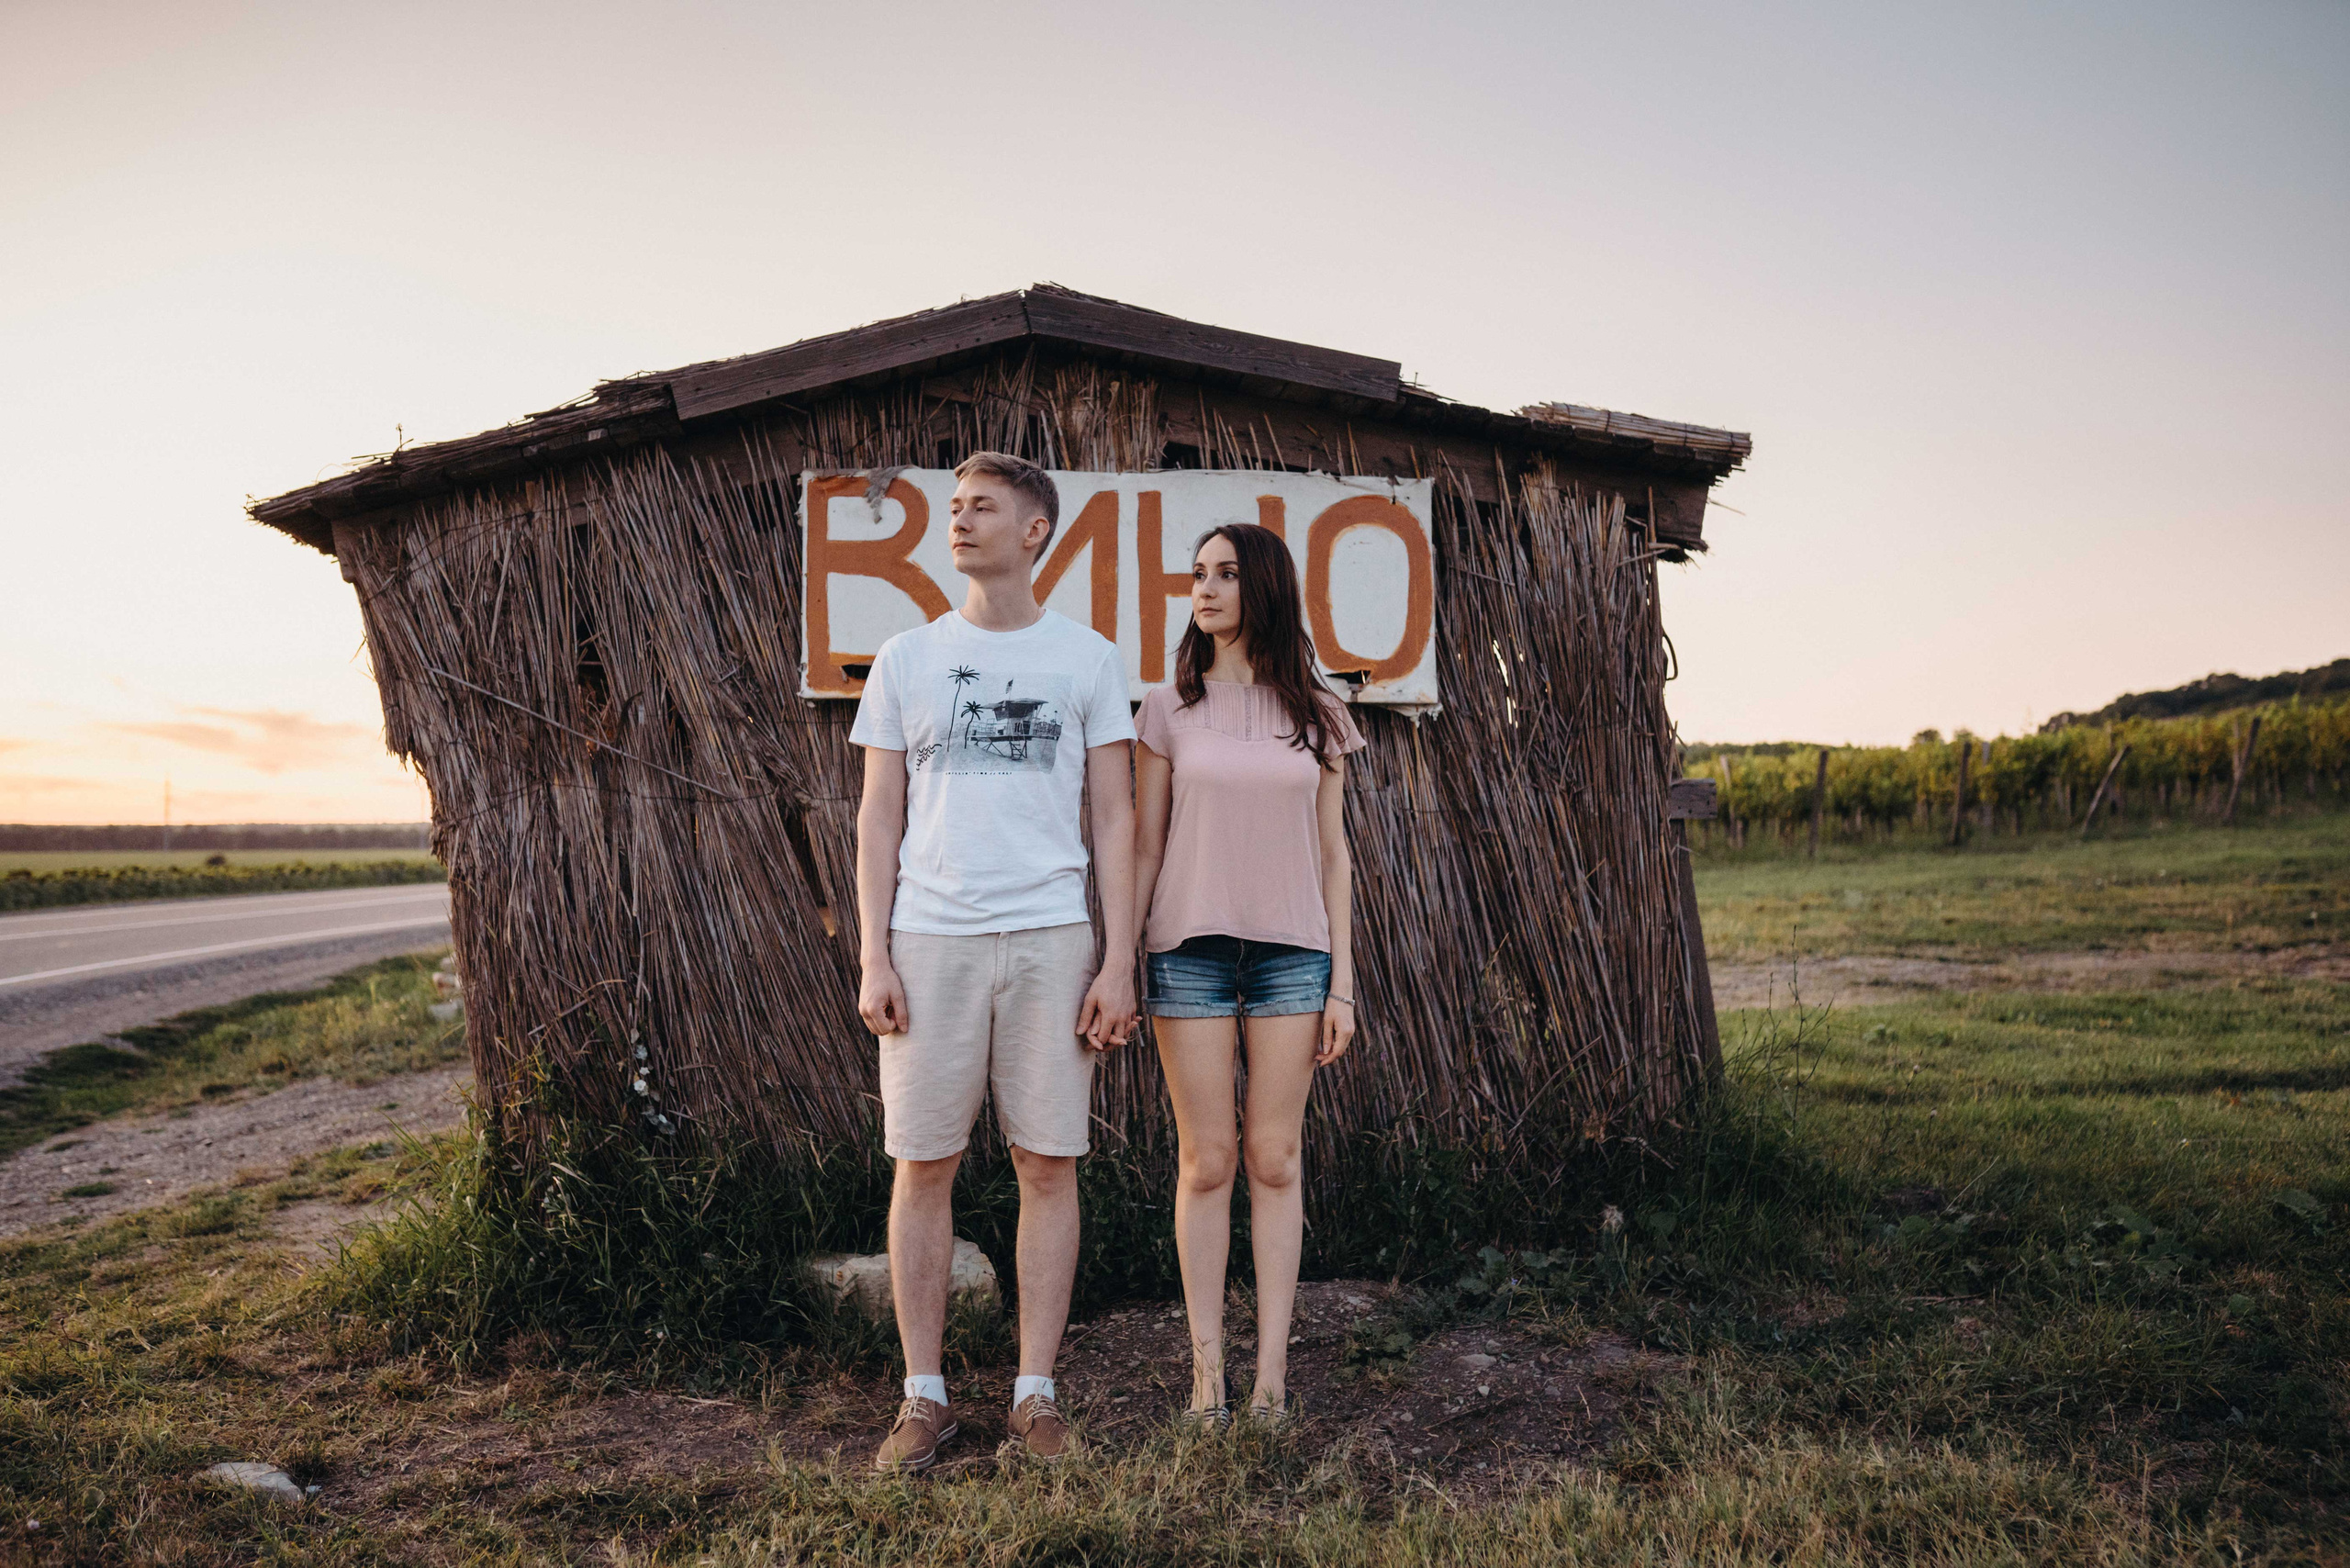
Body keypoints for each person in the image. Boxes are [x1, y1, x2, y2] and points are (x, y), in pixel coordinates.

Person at [850, 451, 1138, 1472]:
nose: (960, 522)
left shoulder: (1087, 658)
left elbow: (1115, 816)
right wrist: (872, 951)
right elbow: (879, 814)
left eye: (983, 509)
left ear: (1036, 530)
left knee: (1046, 1161)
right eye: (954, 508)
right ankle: (921, 1399)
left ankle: (1034, 1393)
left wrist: (1116, 961)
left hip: (1054, 937)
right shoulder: (906, 658)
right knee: (921, 1162)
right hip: (930, 939)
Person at [1131, 521, 1362, 1426]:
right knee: (1206, 1161)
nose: (1206, 589)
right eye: (1197, 574)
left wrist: (1342, 982)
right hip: (1184, 950)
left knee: (1273, 1158)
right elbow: (1145, 843)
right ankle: (1205, 1381)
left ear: (1263, 585)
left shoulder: (1321, 711)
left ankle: (1268, 1383)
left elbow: (1334, 856)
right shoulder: (1166, 708)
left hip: (1292, 954)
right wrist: (1122, 956)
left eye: (1225, 573)